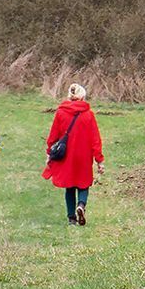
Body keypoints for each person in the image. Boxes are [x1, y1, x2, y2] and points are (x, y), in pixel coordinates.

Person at [42, 83, 104, 226]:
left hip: (67, 156)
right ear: (82, 96)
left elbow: (53, 136)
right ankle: (81, 205)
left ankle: (71, 218)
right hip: (84, 155)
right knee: (84, 183)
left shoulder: (60, 113)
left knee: (69, 186)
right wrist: (99, 160)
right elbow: (95, 139)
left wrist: (49, 153)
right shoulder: (89, 115)